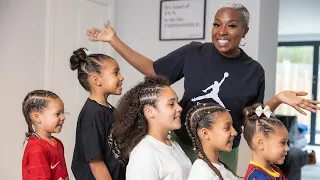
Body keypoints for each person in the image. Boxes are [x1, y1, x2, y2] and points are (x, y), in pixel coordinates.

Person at [86, 2, 319, 171]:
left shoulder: (254, 71)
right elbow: (152, 70)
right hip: (183, 144)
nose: (222, 32)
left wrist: (277, 99)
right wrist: (113, 40)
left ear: (244, 31)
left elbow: (253, 119)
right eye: (217, 24)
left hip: (223, 151)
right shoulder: (194, 53)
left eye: (232, 26)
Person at [112, 76, 192, 180]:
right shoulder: (144, 154)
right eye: (171, 104)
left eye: (177, 102)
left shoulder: (173, 144)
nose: (179, 108)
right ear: (150, 112)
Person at [70, 48, 125, 180]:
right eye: (115, 73)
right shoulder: (92, 114)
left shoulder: (108, 110)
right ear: (96, 80)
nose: (121, 77)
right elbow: (96, 164)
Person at [22, 90, 69, 180]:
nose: (63, 117)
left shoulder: (58, 143)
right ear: (37, 117)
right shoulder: (36, 149)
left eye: (63, 113)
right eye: (57, 114)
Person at [186, 103, 238, 180]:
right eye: (227, 127)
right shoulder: (202, 175)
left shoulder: (217, 166)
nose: (235, 132)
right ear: (206, 133)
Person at [243, 104, 289, 180]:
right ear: (261, 144)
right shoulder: (256, 176)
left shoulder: (275, 170)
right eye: (282, 143)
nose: (287, 148)